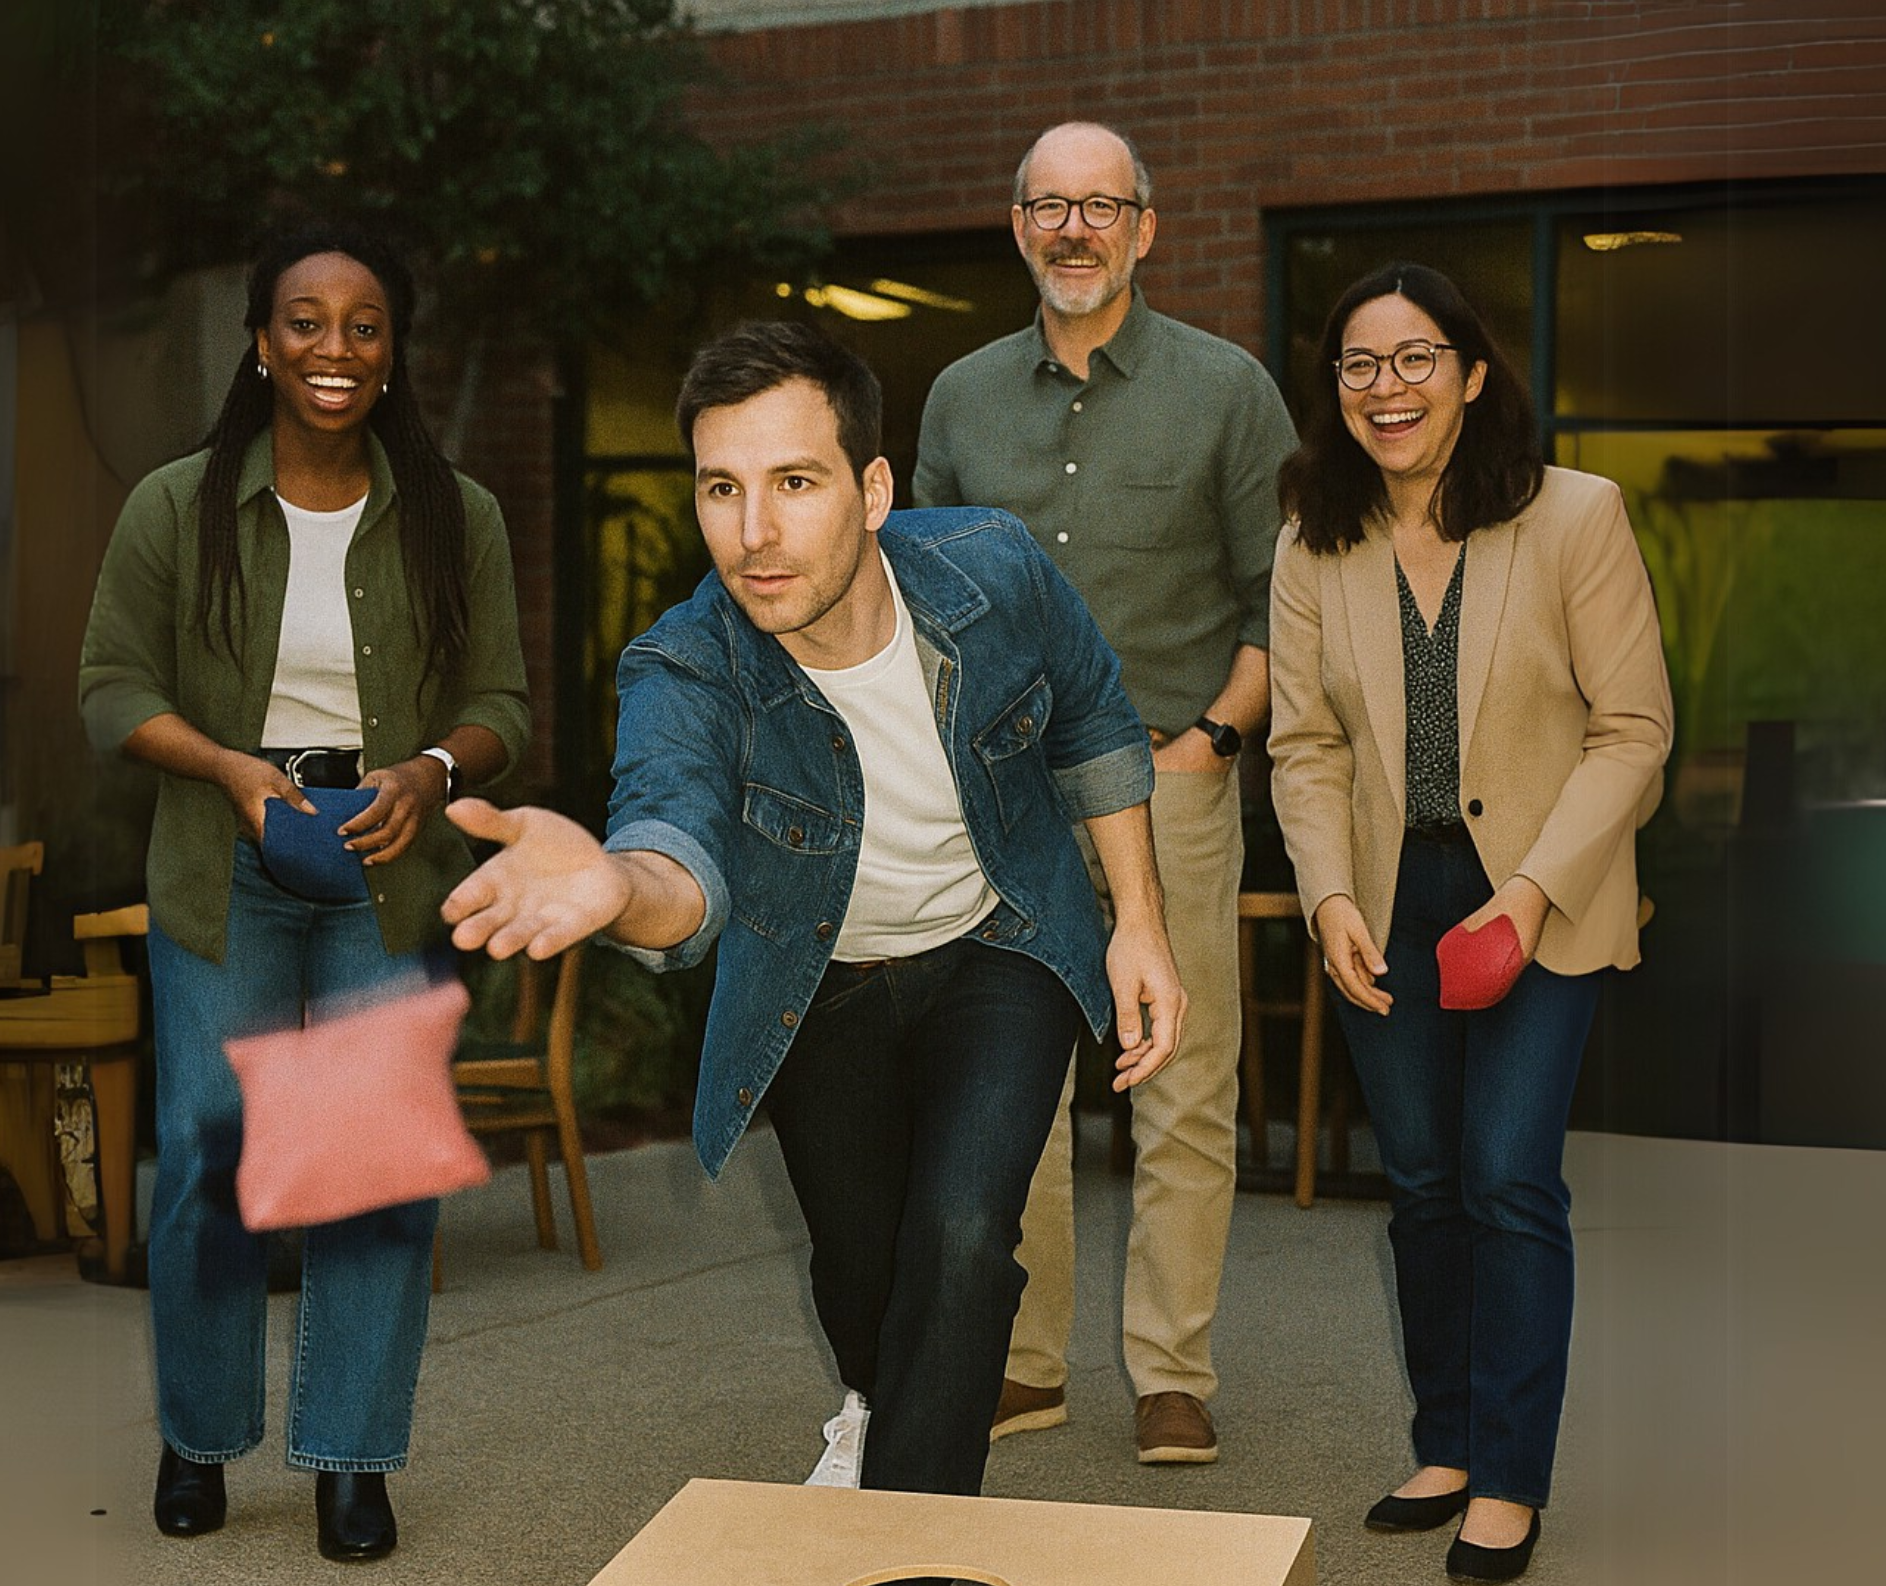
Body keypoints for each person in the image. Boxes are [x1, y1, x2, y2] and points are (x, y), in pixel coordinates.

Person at [441, 320, 1184, 1498]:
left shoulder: (991, 570)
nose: (754, 534)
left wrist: (1138, 920)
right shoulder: (685, 667)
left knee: (960, 1240)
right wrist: (616, 887)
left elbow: (1092, 716)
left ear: (873, 487)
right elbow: (673, 848)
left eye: (794, 482)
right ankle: (878, 1399)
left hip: (1001, 944)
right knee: (860, 1266)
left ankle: (903, 1528)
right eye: (721, 490)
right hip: (818, 979)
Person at [79, 224, 529, 1563]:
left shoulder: (461, 514)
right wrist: (224, 765)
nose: (334, 348)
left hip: (388, 860)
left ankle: (351, 1457)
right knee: (213, 1142)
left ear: (393, 353)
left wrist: (433, 768)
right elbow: (110, 686)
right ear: (261, 342)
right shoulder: (175, 503)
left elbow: (500, 701)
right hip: (228, 854)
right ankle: (200, 1433)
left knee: (374, 1162)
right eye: (305, 321)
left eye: (364, 324)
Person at [1268, 261, 1671, 1583]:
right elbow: (1304, 745)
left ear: (1472, 371)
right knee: (1425, 1179)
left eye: (1416, 356)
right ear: (1334, 391)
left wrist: (1534, 888)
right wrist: (1327, 891)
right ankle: (1441, 1438)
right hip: (1391, 891)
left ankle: (1508, 1470)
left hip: (1538, 890)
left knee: (1504, 1173)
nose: (1388, 386)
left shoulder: (1574, 517)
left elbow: (1634, 731)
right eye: (1359, 364)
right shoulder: (1311, 533)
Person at [912, 121, 1296, 1464]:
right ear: (1017, 225)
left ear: (1147, 226)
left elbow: (1279, 599)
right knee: (1010, 1078)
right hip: (1004, 798)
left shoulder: (1229, 389)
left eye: (1101, 206)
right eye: (1048, 206)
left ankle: (1170, 1368)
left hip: (1169, 781)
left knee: (1180, 1082)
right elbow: (923, 601)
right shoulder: (958, 398)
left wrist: (1212, 741)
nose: (1074, 230)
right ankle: (1022, 1358)